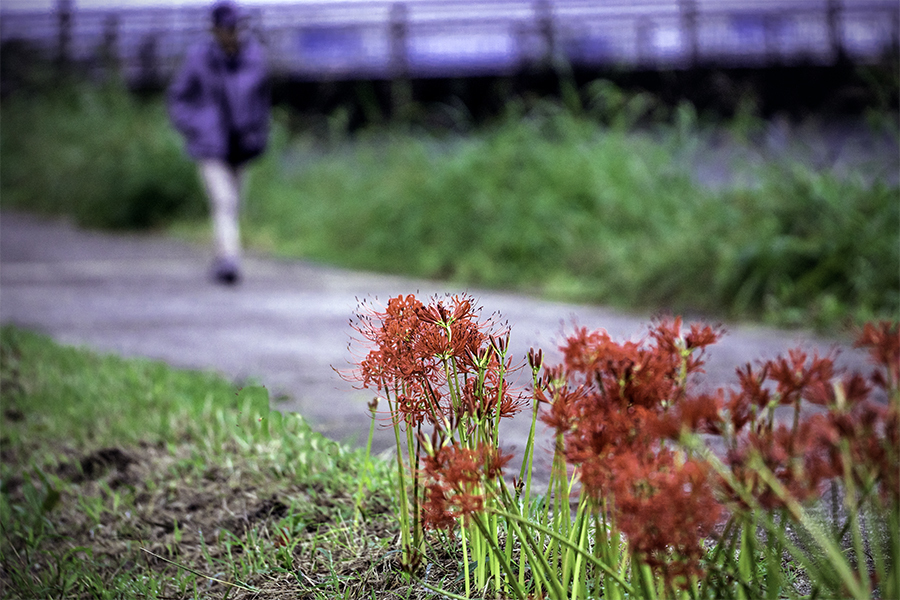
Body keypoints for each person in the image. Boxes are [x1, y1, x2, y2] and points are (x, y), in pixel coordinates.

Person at [168, 0, 269, 284]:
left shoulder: (255, 57)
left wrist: (259, 133)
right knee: (224, 202)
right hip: (210, 146)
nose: (233, 32)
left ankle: (222, 254)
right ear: (215, 29)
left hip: (242, 145)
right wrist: (197, 127)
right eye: (227, 27)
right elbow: (178, 99)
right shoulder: (198, 59)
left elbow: (261, 100)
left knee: (234, 205)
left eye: (237, 26)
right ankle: (229, 261)